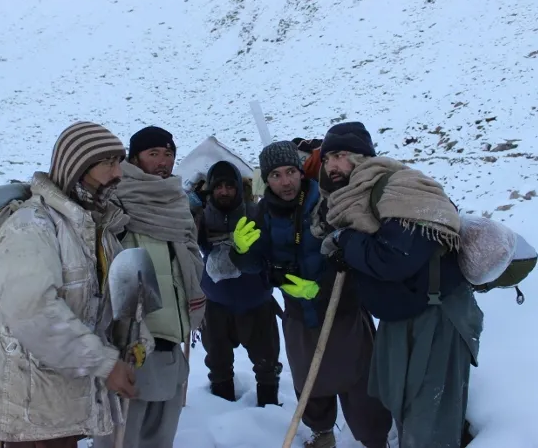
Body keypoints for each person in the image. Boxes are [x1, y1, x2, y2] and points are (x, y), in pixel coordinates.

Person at [0, 121, 150, 448]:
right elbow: (34, 312)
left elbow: (112, 302)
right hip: (25, 401)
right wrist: (105, 362)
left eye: (119, 162)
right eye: (107, 163)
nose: (117, 174)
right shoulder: (31, 226)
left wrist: (137, 341)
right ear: (76, 170)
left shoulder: (97, 232)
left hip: (58, 399)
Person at [315, 122, 484, 448]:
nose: (330, 165)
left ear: (362, 156)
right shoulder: (354, 200)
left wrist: (346, 242)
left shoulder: (401, 187)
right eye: (326, 159)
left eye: (339, 155)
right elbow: (373, 251)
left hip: (436, 318)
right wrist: (347, 253)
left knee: (428, 423)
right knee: (404, 407)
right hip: (400, 321)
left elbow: (395, 258)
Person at [230, 140, 392, 448]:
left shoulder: (326, 203)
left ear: (301, 172)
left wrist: (323, 286)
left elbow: (352, 251)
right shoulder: (261, 213)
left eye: (290, 172)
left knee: (360, 383)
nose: (285, 182)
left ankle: (375, 439)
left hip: (342, 309)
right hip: (298, 315)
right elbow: (256, 265)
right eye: (276, 175)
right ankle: (322, 434)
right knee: (310, 381)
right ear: (266, 179)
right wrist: (241, 252)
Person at [95, 125, 207, 448]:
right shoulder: (118, 201)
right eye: (153, 153)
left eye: (168, 154)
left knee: (160, 438)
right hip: (130, 345)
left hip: (171, 341)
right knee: (121, 438)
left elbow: (189, 261)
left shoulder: (177, 204)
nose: (163, 162)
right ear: (134, 159)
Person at [196, 160, 282, 407]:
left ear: (239, 188)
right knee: (218, 364)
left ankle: (269, 412)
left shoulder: (256, 214)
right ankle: (221, 414)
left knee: (267, 363)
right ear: (211, 189)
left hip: (256, 302)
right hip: (215, 304)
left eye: (229, 186)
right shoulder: (201, 217)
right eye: (218, 187)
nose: (224, 191)